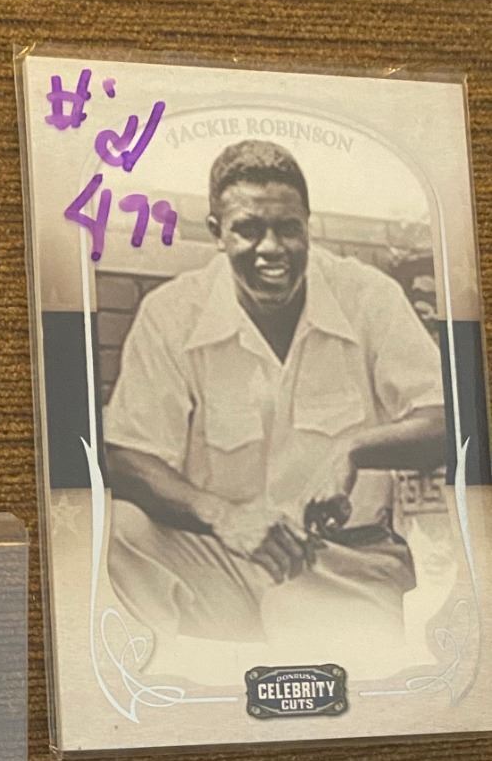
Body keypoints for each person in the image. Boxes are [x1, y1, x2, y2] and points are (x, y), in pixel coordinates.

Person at [102, 139, 447, 646]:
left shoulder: (368, 296)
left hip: (345, 565)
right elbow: (126, 454)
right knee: (120, 531)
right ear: (217, 233)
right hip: (223, 559)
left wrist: (351, 449)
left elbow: (447, 420)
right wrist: (225, 517)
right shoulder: (172, 312)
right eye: (248, 229)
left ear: (308, 225)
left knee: (348, 688)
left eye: (288, 228)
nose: (271, 248)